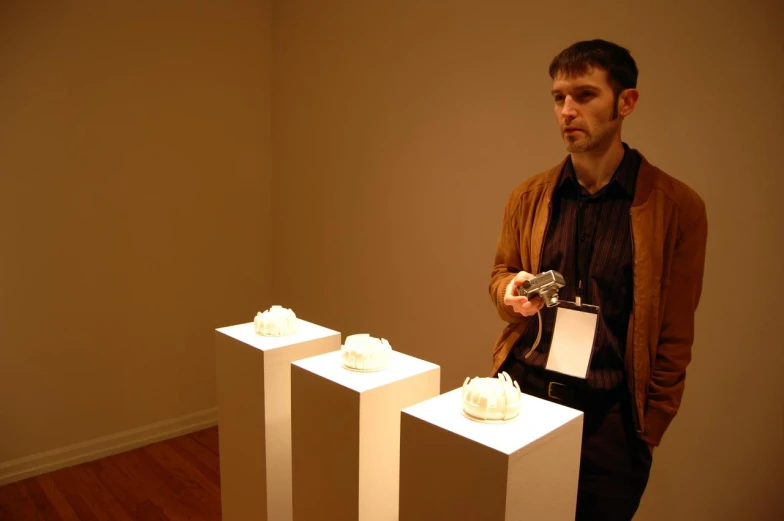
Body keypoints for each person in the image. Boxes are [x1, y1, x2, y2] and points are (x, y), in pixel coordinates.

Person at [488, 39, 708, 521]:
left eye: (584, 95)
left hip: (610, 424)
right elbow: (501, 274)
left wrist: (647, 430)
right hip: (525, 398)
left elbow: (675, 331)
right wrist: (510, 291)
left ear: (625, 102)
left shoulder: (676, 208)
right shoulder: (529, 196)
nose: (567, 110)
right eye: (558, 97)